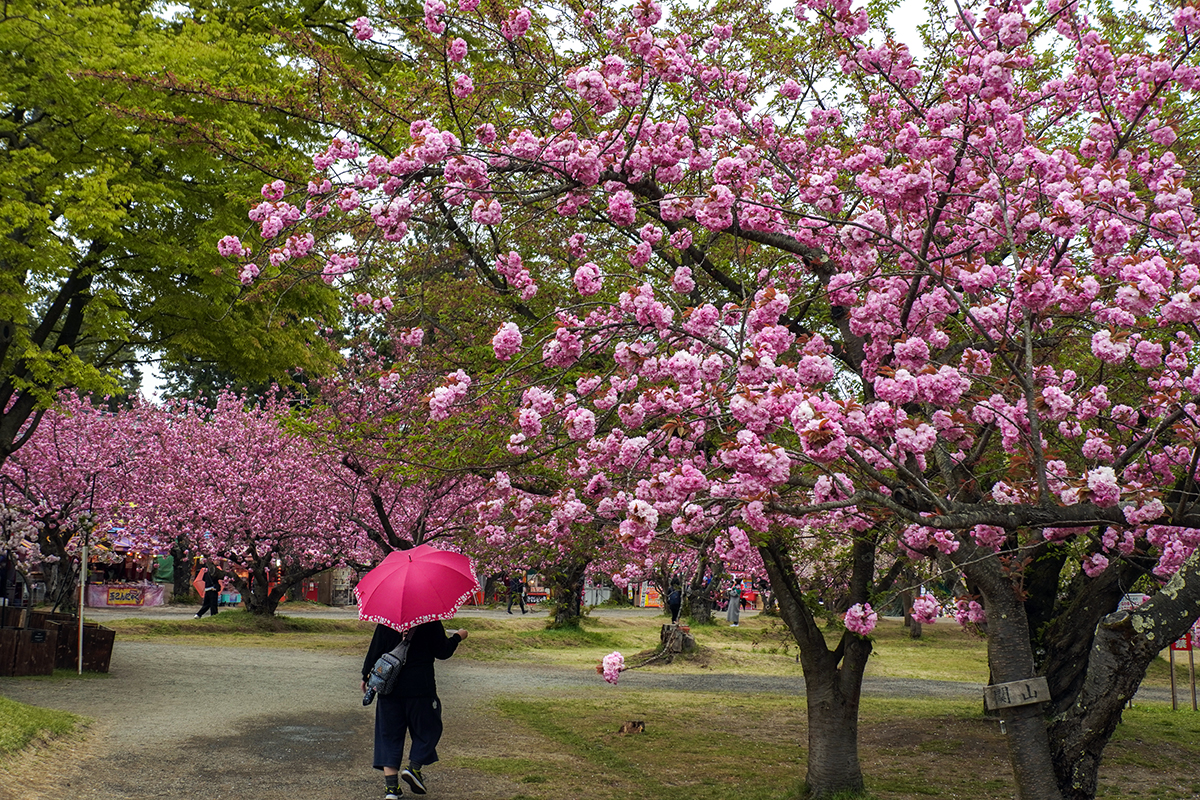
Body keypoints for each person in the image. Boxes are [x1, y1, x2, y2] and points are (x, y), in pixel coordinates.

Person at [362, 620, 467, 798]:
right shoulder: (430, 621)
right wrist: (457, 637)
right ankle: (414, 768)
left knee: (388, 735)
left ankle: (391, 789)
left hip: (389, 689)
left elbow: (375, 651)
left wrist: (365, 676)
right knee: (429, 729)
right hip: (421, 689)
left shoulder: (386, 622)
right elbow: (442, 652)